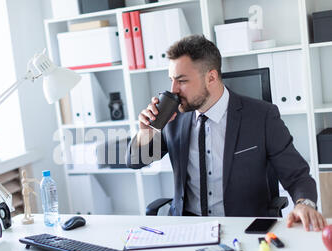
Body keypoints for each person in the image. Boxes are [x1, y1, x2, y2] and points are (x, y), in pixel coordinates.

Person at [126, 35, 326, 232]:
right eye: (171, 80)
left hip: (244, 228)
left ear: (211, 77)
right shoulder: (173, 117)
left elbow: (296, 174)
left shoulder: (262, 116)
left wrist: (304, 204)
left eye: (182, 81)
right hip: (187, 227)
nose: (173, 90)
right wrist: (147, 132)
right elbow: (135, 162)